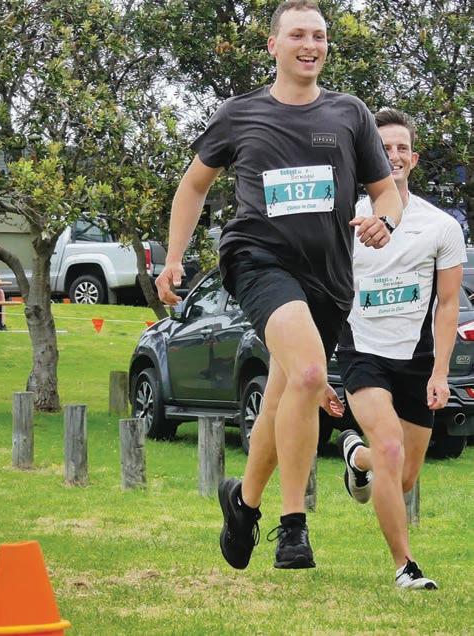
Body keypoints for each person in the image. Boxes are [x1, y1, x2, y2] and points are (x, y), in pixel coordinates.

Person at [156, 0, 403, 571]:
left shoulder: (350, 114)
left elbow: (385, 192)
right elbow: (193, 186)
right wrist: (173, 259)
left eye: (319, 35)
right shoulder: (240, 115)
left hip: (330, 278)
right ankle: (293, 526)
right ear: (273, 45)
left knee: (284, 388)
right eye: (297, 35)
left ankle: (243, 503)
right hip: (257, 260)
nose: (310, 45)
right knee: (311, 374)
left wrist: (384, 221)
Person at [335, 109, 465, 589]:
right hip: (362, 352)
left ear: (414, 157)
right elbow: (323, 293)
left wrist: (441, 372)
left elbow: (448, 304)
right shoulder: (345, 219)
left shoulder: (441, 226)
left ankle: (357, 458)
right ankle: (405, 567)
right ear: (368, 154)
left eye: (401, 148)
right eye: (383, 147)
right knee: (389, 446)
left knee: (403, 475)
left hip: (416, 360)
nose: (393, 155)